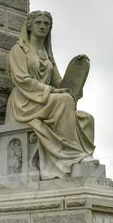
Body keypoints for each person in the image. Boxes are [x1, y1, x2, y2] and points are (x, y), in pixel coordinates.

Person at [6, 11, 96, 179]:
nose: (42, 26)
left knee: (86, 118)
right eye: (39, 22)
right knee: (64, 100)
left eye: (46, 24)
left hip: (46, 100)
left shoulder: (47, 55)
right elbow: (22, 79)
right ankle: (73, 157)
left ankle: (80, 156)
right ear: (30, 26)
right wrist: (51, 91)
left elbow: (59, 84)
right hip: (24, 101)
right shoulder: (18, 50)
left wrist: (77, 71)